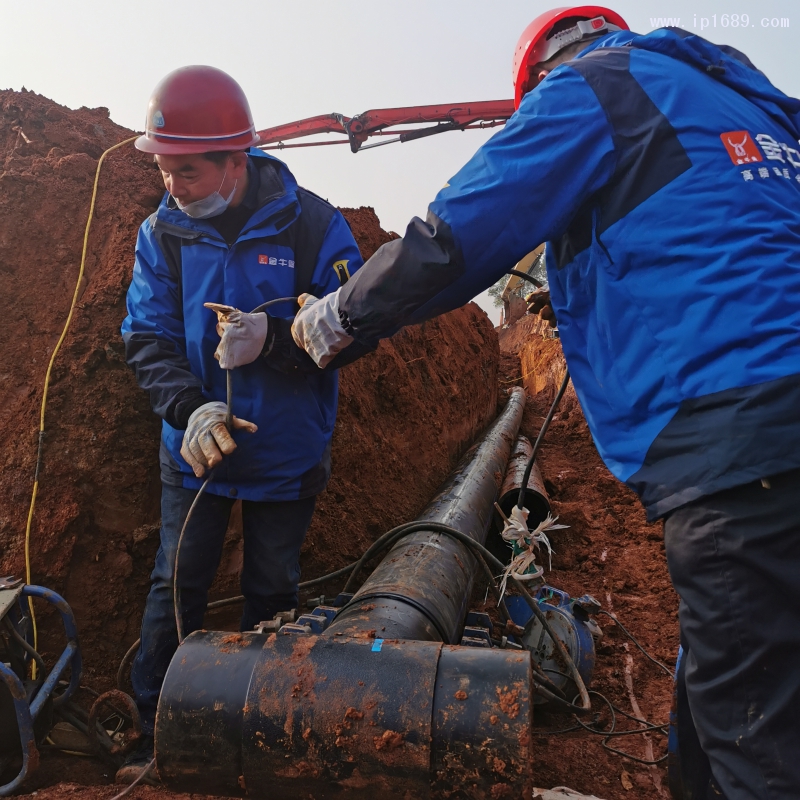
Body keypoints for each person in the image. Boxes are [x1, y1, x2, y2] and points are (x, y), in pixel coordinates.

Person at [291, 8, 800, 800]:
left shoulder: (592, 90)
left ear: (536, 82)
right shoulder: (751, 110)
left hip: (738, 444)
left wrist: (340, 316)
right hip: (764, 438)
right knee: (733, 682)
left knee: (760, 739)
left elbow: (457, 236)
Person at [118, 65, 362, 783]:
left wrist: (281, 340)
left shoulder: (313, 225)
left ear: (236, 160)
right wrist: (190, 409)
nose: (173, 186)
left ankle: (260, 737)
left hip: (286, 453)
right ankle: (153, 728)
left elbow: (360, 325)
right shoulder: (163, 234)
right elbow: (147, 338)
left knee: (272, 591)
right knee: (177, 583)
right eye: (165, 170)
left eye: (187, 171)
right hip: (196, 451)